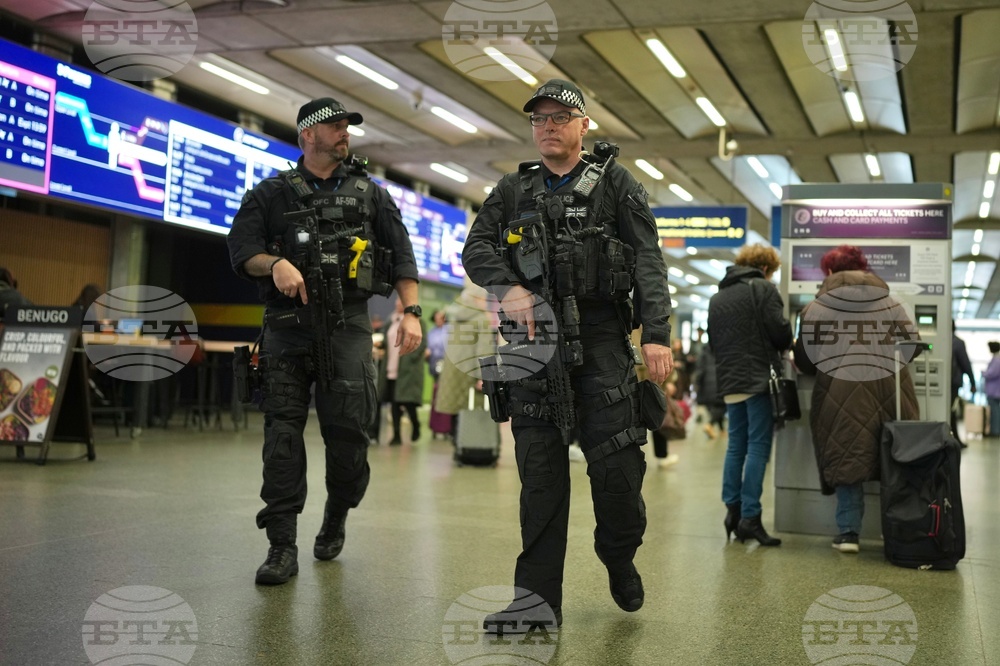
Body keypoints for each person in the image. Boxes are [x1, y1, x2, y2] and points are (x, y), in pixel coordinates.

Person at [462, 79, 673, 627]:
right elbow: (476, 247)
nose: (549, 125)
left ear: (585, 125)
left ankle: (619, 556)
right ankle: (534, 604)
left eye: (561, 116)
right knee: (540, 482)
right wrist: (508, 287)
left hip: (602, 341)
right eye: (539, 119)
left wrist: (657, 333)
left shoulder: (616, 182)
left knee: (618, 474)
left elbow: (648, 258)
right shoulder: (512, 190)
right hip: (532, 349)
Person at [227, 97, 422, 585]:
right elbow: (241, 249)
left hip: (349, 327)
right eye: (333, 126)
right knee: (283, 438)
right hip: (287, 327)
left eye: (346, 126)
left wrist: (412, 312)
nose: (344, 133)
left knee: (350, 436)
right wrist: (274, 264)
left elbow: (401, 255)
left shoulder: (370, 194)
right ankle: (281, 545)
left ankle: (337, 511)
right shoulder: (270, 193)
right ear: (306, 136)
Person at [792, 245, 919, 553]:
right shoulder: (890, 302)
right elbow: (912, 345)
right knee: (893, 456)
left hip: (839, 391)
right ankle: (897, 531)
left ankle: (849, 533)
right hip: (889, 389)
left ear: (831, 272)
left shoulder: (817, 307)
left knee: (847, 449)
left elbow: (805, 361)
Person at [707, 244, 791, 547]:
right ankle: (750, 517)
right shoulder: (763, 289)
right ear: (766, 268)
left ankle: (733, 511)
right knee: (758, 447)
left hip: (730, 380)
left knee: (736, 446)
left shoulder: (718, 297)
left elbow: (713, 341)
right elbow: (780, 333)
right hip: (757, 380)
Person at [378, 298, 427, 444]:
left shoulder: (418, 322)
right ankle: (397, 435)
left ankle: (416, 424)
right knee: (394, 402)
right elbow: (387, 342)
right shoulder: (390, 321)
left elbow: (421, 344)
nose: (398, 304)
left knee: (408, 402)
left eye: (401, 302)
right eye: (397, 302)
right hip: (391, 367)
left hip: (407, 369)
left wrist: (409, 359)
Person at [952, 322, 976, 448]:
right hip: (953, 383)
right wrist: (973, 383)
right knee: (952, 412)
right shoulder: (958, 343)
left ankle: (954, 439)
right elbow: (965, 364)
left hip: (945, 382)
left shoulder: (944, 341)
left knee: (950, 412)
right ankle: (955, 440)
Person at [696, 343, 725, 439]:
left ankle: (721, 430)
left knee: (717, 407)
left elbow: (700, 370)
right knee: (721, 406)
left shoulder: (704, 352)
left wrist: (698, 384)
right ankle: (710, 424)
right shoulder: (721, 350)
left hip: (706, 385)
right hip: (719, 383)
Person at [984, 341, 1000, 438]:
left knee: (995, 412)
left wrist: (984, 373)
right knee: (995, 411)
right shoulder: (996, 359)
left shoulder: (997, 360)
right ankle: (995, 430)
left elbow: (991, 374)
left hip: (994, 391)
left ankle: (995, 431)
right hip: (995, 391)